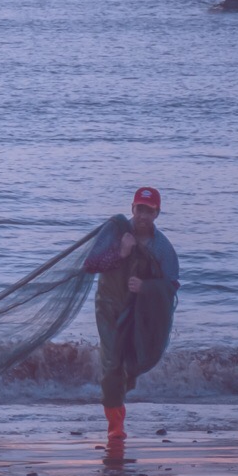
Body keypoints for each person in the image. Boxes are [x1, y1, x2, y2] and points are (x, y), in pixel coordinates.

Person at [82, 187, 180, 453]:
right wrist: (121, 254)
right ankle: (115, 427)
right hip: (109, 307)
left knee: (133, 361)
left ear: (157, 213)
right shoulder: (116, 233)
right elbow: (91, 264)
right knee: (111, 361)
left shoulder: (162, 247)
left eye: (149, 211)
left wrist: (146, 287)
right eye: (139, 209)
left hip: (140, 313)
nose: (143, 215)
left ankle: (118, 404)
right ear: (132, 208)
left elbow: (172, 284)